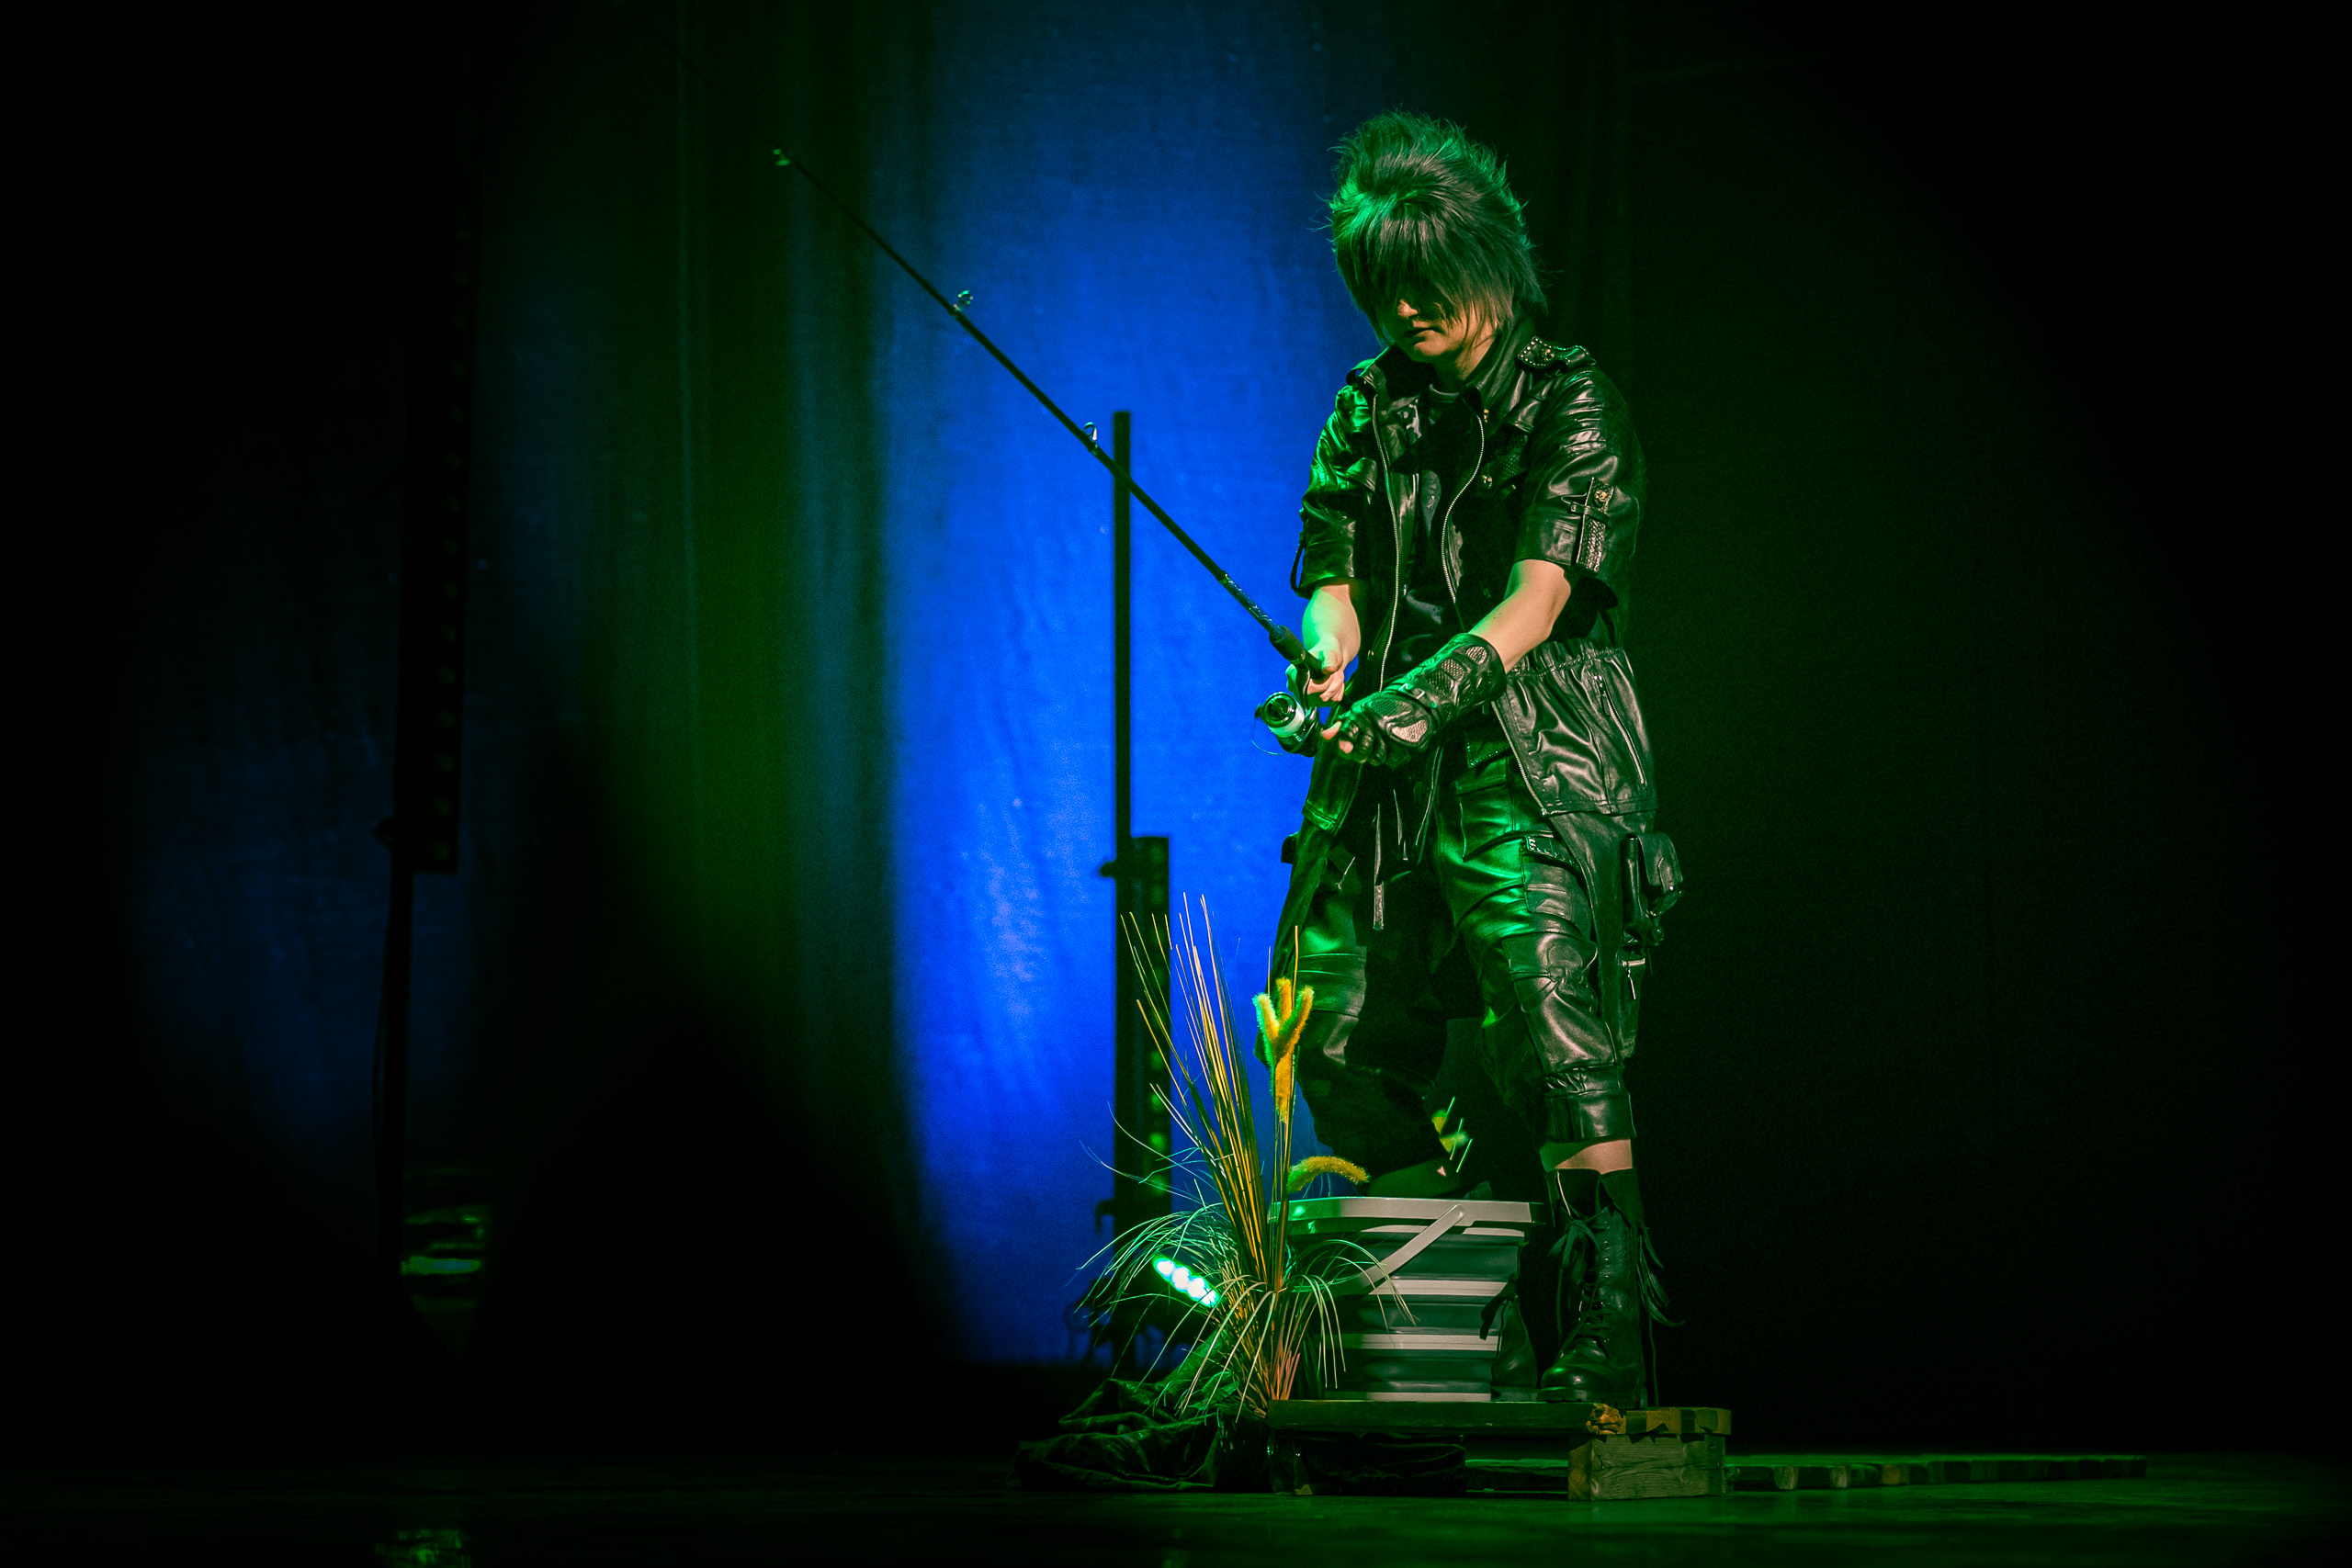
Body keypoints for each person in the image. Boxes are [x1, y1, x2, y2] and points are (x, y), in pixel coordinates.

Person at [1271, 111, 1683, 1411]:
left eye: (1430, 279)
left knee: (1557, 1036)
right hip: (1388, 771)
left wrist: (1417, 701)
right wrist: (1328, 655)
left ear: (1489, 263)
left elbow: (1538, 599)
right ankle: (1461, 1307)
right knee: (1334, 1032)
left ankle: (1610, 1333)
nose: (1406, 307)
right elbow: (1332, 570)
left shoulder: (1572, 397)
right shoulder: (1366, 400)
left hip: (1534, 756)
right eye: (1380, 284)